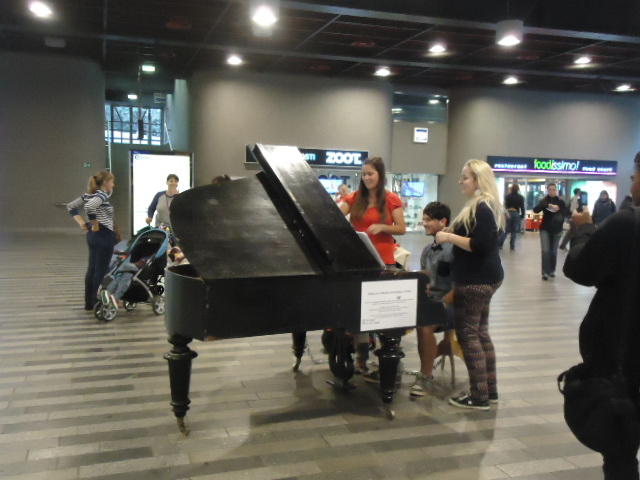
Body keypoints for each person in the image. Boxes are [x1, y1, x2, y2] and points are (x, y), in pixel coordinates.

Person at [563, 154, 640, 480]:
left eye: (634, 177)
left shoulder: (627, 223)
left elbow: (581, 269)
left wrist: (584, 230)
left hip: (624, 358)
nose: (632, 185)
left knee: (621, 451)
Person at [435, 159, 504, 410]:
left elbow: (480, 245)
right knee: (481, 333)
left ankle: (479, 396)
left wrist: (449, 236)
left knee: (468, 336)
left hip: (475, 280)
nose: (460, 181)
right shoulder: (488, 205)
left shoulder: (482, 207)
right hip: (486, 277)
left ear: (478, 180)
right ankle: (489, 390)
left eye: (465, 177)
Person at [340, 157, 406, 375]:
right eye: (364, 174)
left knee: (382, 311)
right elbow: (335, 214)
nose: (367, 177)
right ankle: (361, 356)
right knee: (360, 312)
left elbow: (401, 228)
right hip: (359, 262)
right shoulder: (355, 197)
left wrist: (383, 227)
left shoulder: (391, 199)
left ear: (380, 175)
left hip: (383, 263)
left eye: (371, 173)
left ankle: (387, 355)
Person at [410, 202, 454, 397]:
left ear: (443, 221)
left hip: (452, 303)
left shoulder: (454, 249)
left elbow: (459, 286)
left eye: (428, 220)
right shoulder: (427, 250)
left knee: (425, 324)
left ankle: (426, 376)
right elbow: (426, 277)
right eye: (424, 219)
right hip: (432, 300)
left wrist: (442, 304)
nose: (424, 223)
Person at [66, 171, 117, 310]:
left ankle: (89, 303)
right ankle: (95, 300)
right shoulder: (101, 195)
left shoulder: (89, 195)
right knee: (100, 270)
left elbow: (70, 206)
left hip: (93, 236)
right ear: (105, 183)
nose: (113, 184)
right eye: (112, 182)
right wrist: (94, 223)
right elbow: (89, 207)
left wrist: (82, 223)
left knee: (92, 269)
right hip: (104, 235)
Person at [533, 183, 567, 280]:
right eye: (550, 189)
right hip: (545, 229)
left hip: (557, 230)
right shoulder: (544, 201)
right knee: (545, 251)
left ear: (556, 190)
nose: (552, 191)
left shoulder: (561, 202)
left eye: (553, 189)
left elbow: (566, 213)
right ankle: (545, 272)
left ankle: (552, 270)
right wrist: (546, 205)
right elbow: (535, 210)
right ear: (547, 190)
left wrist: (558, 208)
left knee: (553, 252)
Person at [504, 183, 525, 250]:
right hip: (516, 213)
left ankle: (500, 244)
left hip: (508, 213)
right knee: (514, 231)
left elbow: (505, 206)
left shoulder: (507, 196)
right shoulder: (521, 197)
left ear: (511, 189)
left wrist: (504, 214)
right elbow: (522, 207)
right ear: (518, 189)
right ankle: (512, 246)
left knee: (506, 230)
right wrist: (522, 215)